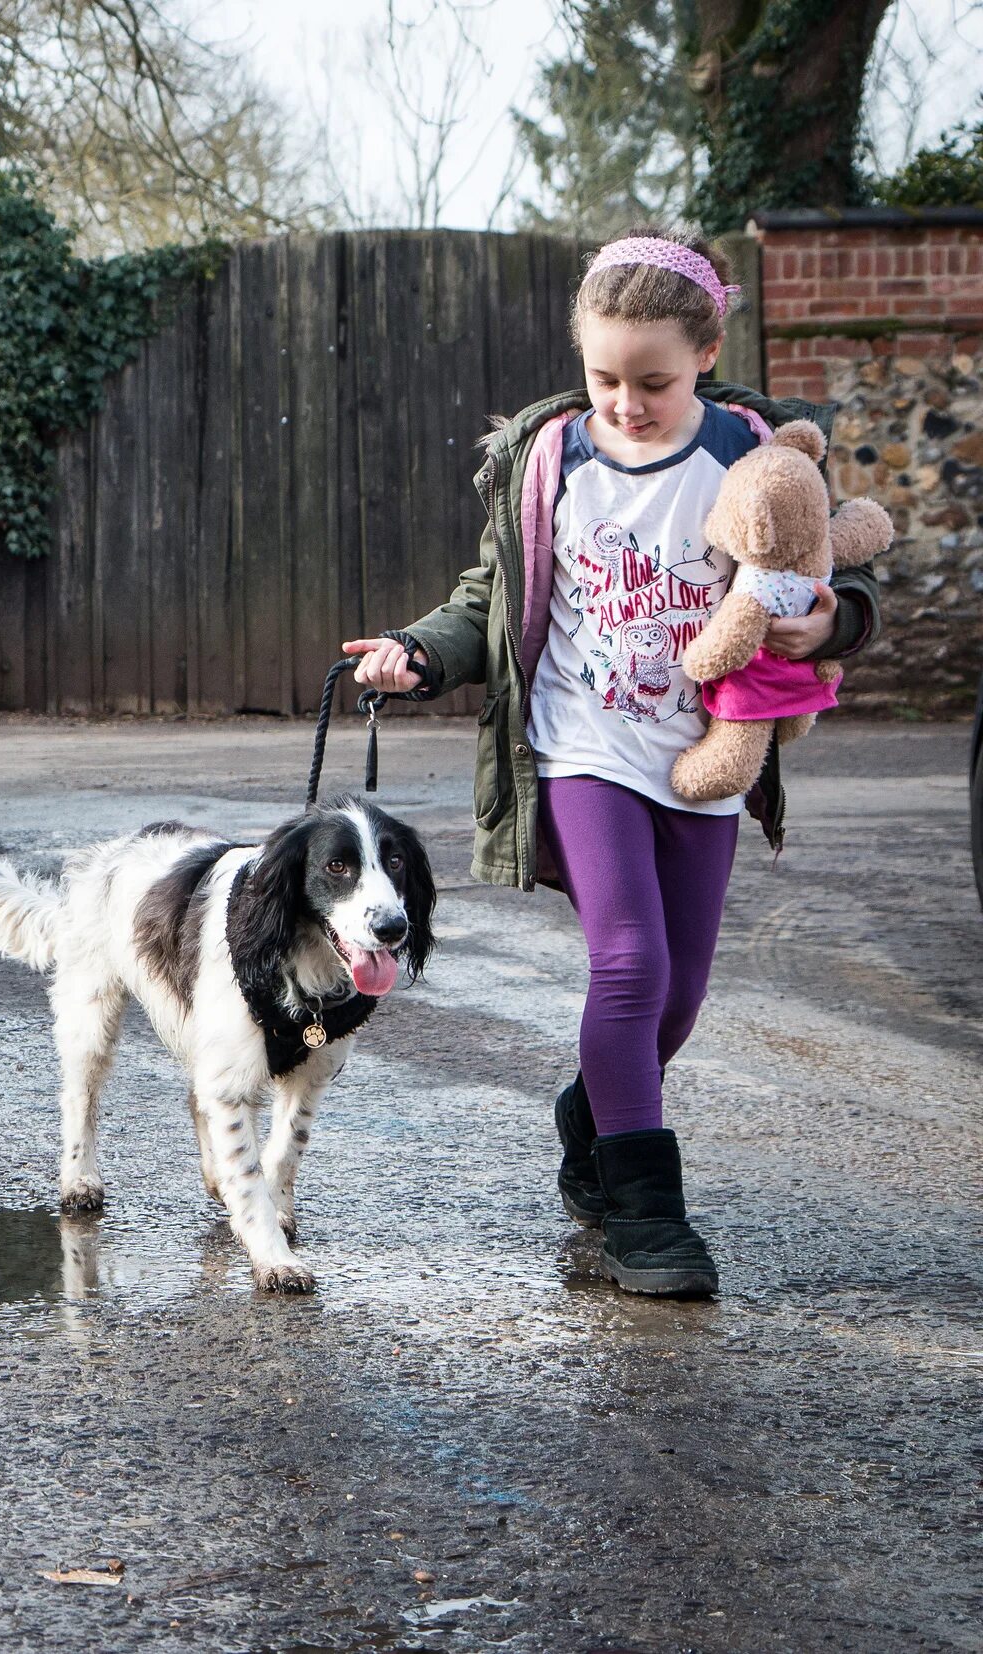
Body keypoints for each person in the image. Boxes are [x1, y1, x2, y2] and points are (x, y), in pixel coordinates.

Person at [341, 228, 880, 1299]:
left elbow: (834, 576)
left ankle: (592, 1114)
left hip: (706, 754)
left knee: (675, 1000)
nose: (626, 402)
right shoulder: (551, 460)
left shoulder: (749, 449)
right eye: (603, 378)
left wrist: (828, 630)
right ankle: (644, 1214)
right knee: (627, 966)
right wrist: (421, 653)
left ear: (705, 352)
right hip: (582, 744)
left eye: (653, 381)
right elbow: (487, 597)